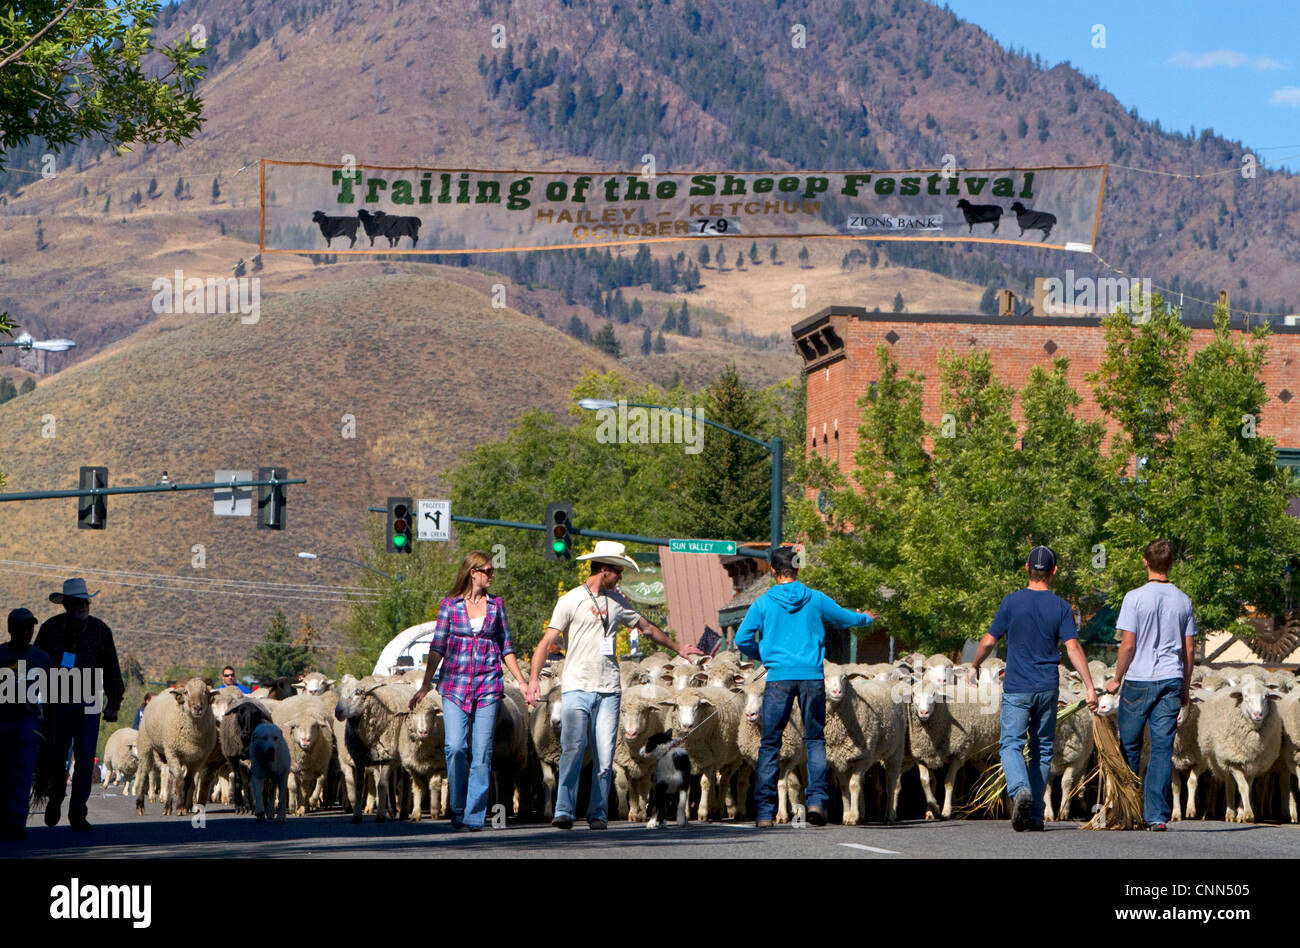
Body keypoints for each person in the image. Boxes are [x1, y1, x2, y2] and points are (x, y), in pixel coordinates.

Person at [524, 541, 703, 830]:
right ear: (605, 570)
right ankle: (564, 811)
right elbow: (547, 642)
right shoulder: (570, 600)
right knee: (572, 749)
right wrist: (533, 679)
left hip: (609, 689)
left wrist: (678, 647)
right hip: (576, 686)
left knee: (605, 755)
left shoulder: (617, 603)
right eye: (618, 572)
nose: (620, 578)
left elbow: (646, 627)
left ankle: (598, 813)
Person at [734, 546, 875, 827]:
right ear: (797, 570)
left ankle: (763, 812)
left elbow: (742, 639)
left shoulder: (762, 603)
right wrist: (867, 617)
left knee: (770, 743)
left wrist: (765, 656)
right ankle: (816, 803)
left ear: (773, 571)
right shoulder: (815, 599)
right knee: (814, 740)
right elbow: (845, 618)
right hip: (811, 677)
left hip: (778, 680)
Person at [968, 546, 1098, 832]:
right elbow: (1073, 647)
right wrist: (1089, 687)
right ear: (1053, 572)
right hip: (1047, 687)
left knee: (1011, 744)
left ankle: (1019, 790)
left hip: (1017, 686)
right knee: (1042, 749)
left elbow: (989, 641)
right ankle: (1036, 815)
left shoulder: (1011, 602)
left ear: (1027, 568)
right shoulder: (1061, 607)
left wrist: (974, 665)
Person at [411, 551, 528, 830]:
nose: (491, 575)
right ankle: (458, 806)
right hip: (454, 685)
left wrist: (522, 682)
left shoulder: (497, 605)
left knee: (483, 751)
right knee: (455, 747)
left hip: (488, 685)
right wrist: (426, 684)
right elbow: (437, 646)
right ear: (472, 572)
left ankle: (475, 815)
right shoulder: (450, 605)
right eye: (487, 570)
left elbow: (506, 647)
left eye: (491, 570)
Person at [1104, 539, 1197, 831]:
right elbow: (1189, 650)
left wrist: (1116, 678)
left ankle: (1127, 809)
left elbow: (1127, 645)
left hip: (1138, 679)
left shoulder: (1134, 598)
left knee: (1129, 745)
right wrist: (1185, 685)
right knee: (1161, 748)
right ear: (1171, 564)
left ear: (1145, 562)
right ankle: (1156, 815)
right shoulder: (1183, 600)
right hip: (1170, 678)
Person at [32, 578, 124, 832]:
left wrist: (114, 702)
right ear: (67, 605)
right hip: (57, 700)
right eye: (78, 602)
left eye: (86, 601)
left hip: (89, 698)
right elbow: (35, 664)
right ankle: (56, 798)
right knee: (56, 756)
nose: (84, 606)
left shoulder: (100, 630)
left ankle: (78, 813)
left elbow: (111, 667)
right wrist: (34, 699)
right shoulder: (50, 629)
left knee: (85, 759)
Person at [0, 608, 52, 840]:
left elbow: (52, 695)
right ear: (11, 629)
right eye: (22, 627)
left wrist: (49, 726)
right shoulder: (0, 655)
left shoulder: (41, 658)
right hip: (2, 722)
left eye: (31, 627)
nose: (27, 632)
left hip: (28, 724)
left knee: (22, 773)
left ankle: (16, 822)